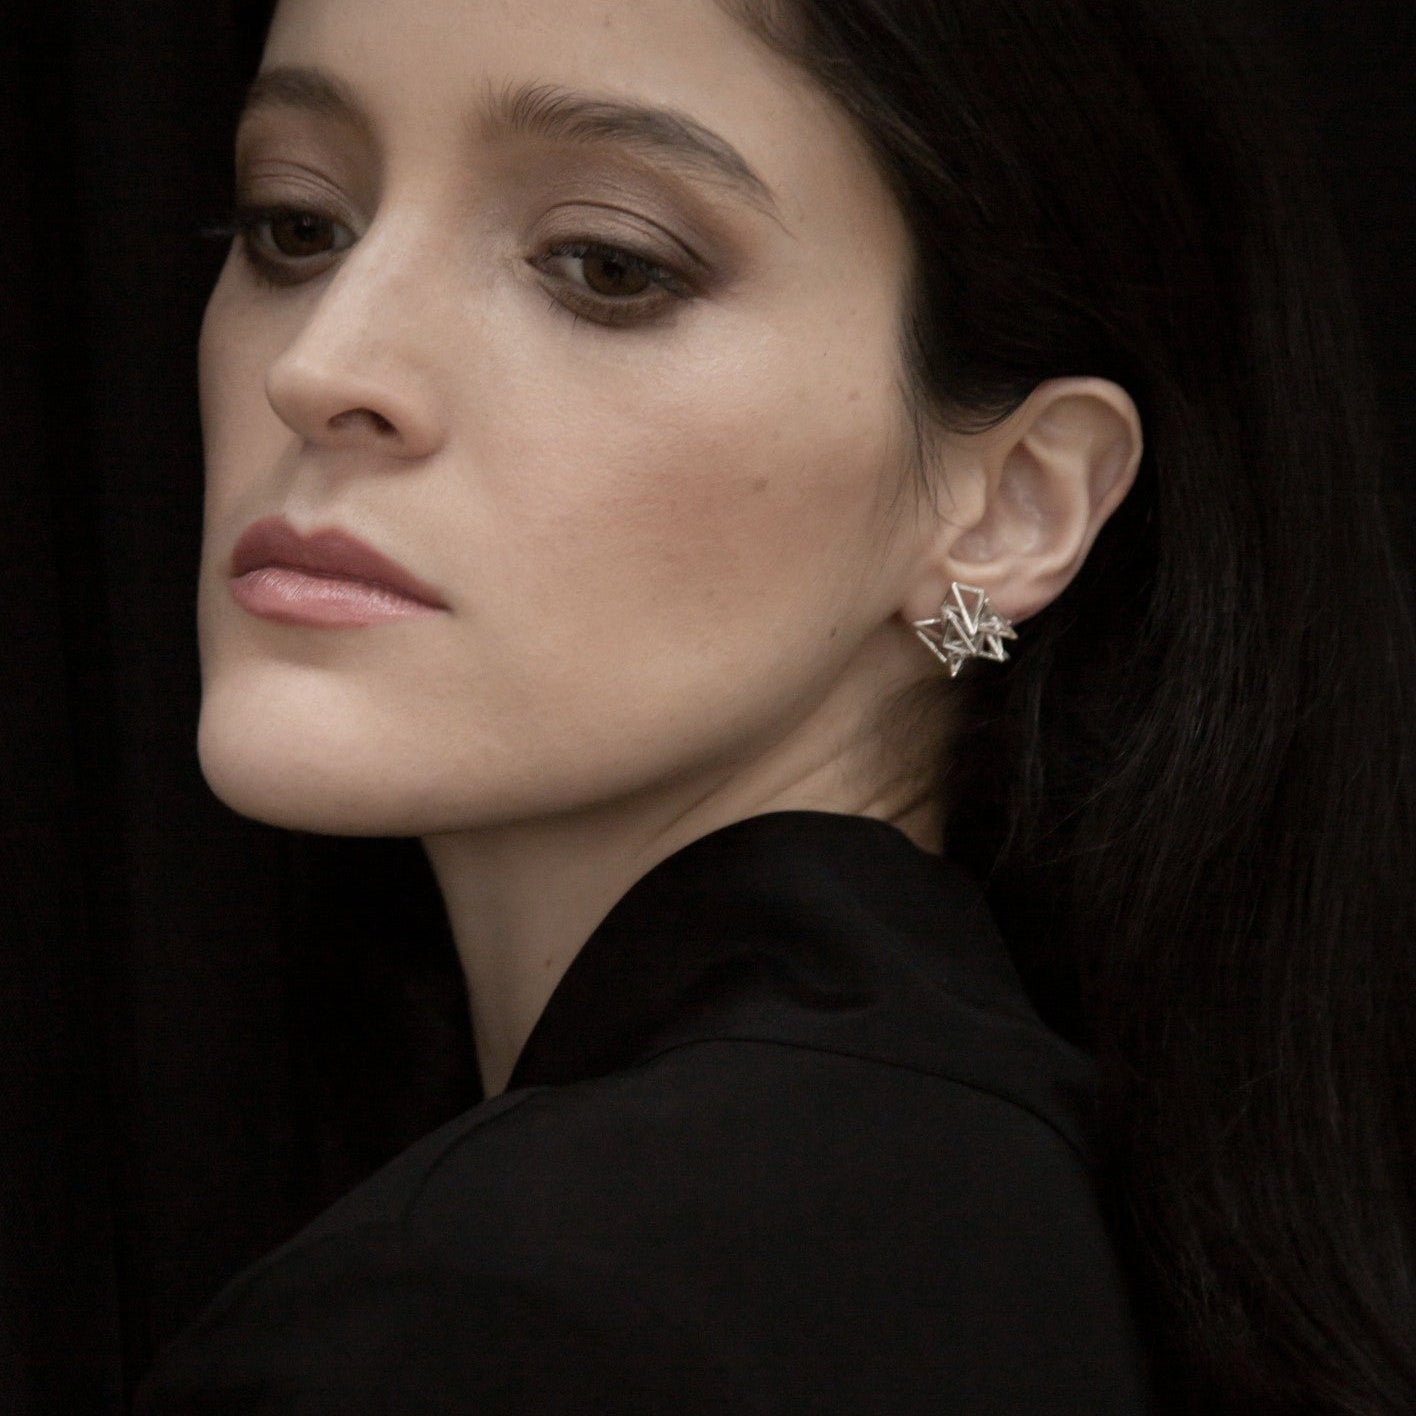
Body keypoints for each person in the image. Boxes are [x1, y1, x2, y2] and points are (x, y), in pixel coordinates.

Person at [133, 0, 1415, 1411]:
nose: (320, 365)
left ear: (1012, 508)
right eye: (297, 223)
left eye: (604, 264)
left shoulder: (508, 1308)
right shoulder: (1031, 1199)